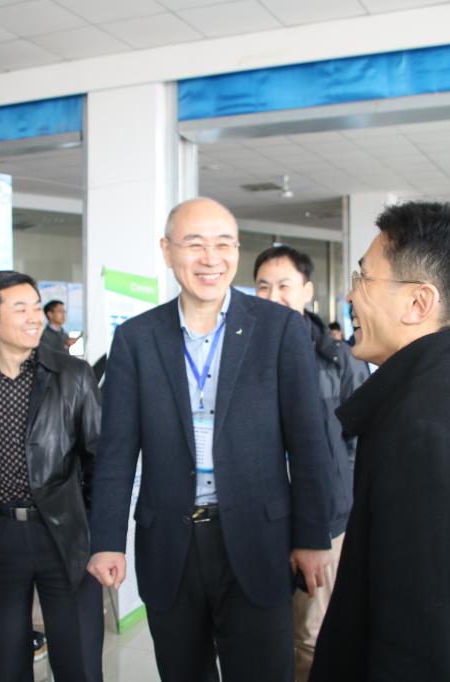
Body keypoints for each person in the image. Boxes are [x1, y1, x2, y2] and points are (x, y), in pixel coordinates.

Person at [87, 197, 333, 682]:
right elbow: (116, 450)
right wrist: (107, 541)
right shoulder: (136, 338)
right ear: (166, 250)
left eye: (224, 244)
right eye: (195, 244)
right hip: (170, 543)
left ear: (237, 251)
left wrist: (312, 537)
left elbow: (307, 442)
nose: (210, 258)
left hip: (259, 539)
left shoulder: (278, 329)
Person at [309, 201, 450, 682]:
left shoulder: (421, 428)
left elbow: (417, 642)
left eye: (363, 278)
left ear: (419, 303)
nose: (350, 295)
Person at [0, 271, 103, 682]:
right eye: (21, 309)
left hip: (64, 534)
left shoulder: (74, 375)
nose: (34, 317)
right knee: (9, 665)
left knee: (79, 661)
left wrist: (93, 532)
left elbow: (97, 461)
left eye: (36, 307)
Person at [252, 244, 368, 682]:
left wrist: (338, 497)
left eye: (284, 286)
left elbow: (358, 440)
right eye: (263, 287)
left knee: (312, 633)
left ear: (307, 291)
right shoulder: (238, 356)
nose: (273, 296)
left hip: (325, 522)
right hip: (257, 518)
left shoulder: (338, 359)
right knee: (259, 629)